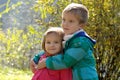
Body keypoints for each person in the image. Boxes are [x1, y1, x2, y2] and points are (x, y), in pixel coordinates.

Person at [31, 3, 99, 80]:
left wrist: (46, 62)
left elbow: (66, 60)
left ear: (81, 25)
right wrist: (36, 58)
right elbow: (56, 49)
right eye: (64, 20)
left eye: (71, 21)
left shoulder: (81, 42)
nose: (65, 24)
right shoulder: (69, 38)